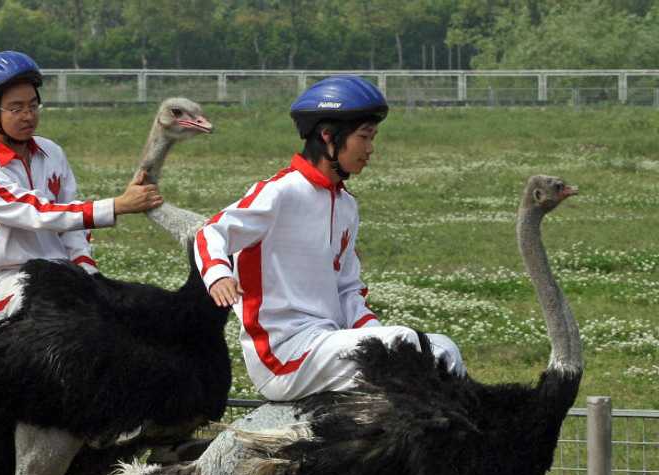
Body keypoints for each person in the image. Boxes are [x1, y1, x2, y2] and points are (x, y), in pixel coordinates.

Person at [193, 75, 465, 403]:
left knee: (443, 349)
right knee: (406, 346)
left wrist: (376, 336)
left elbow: (348, 289)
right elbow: (212, 231)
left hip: (329, 343)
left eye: (373, 137)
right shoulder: (280, 192)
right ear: (327, 136)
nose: (370, 149)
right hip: (283, 357)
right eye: (364, 137)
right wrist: (219, 275)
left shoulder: (347, 205)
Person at [0, 50, 163, 326]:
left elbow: (72, 229)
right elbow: (38, 213)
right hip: (4, 284)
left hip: (61, 275)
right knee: (59, 311)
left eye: (33, 105)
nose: (28, 116)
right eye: (16, 108)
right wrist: (117, 206)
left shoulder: (52, 152)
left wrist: (89, 273)